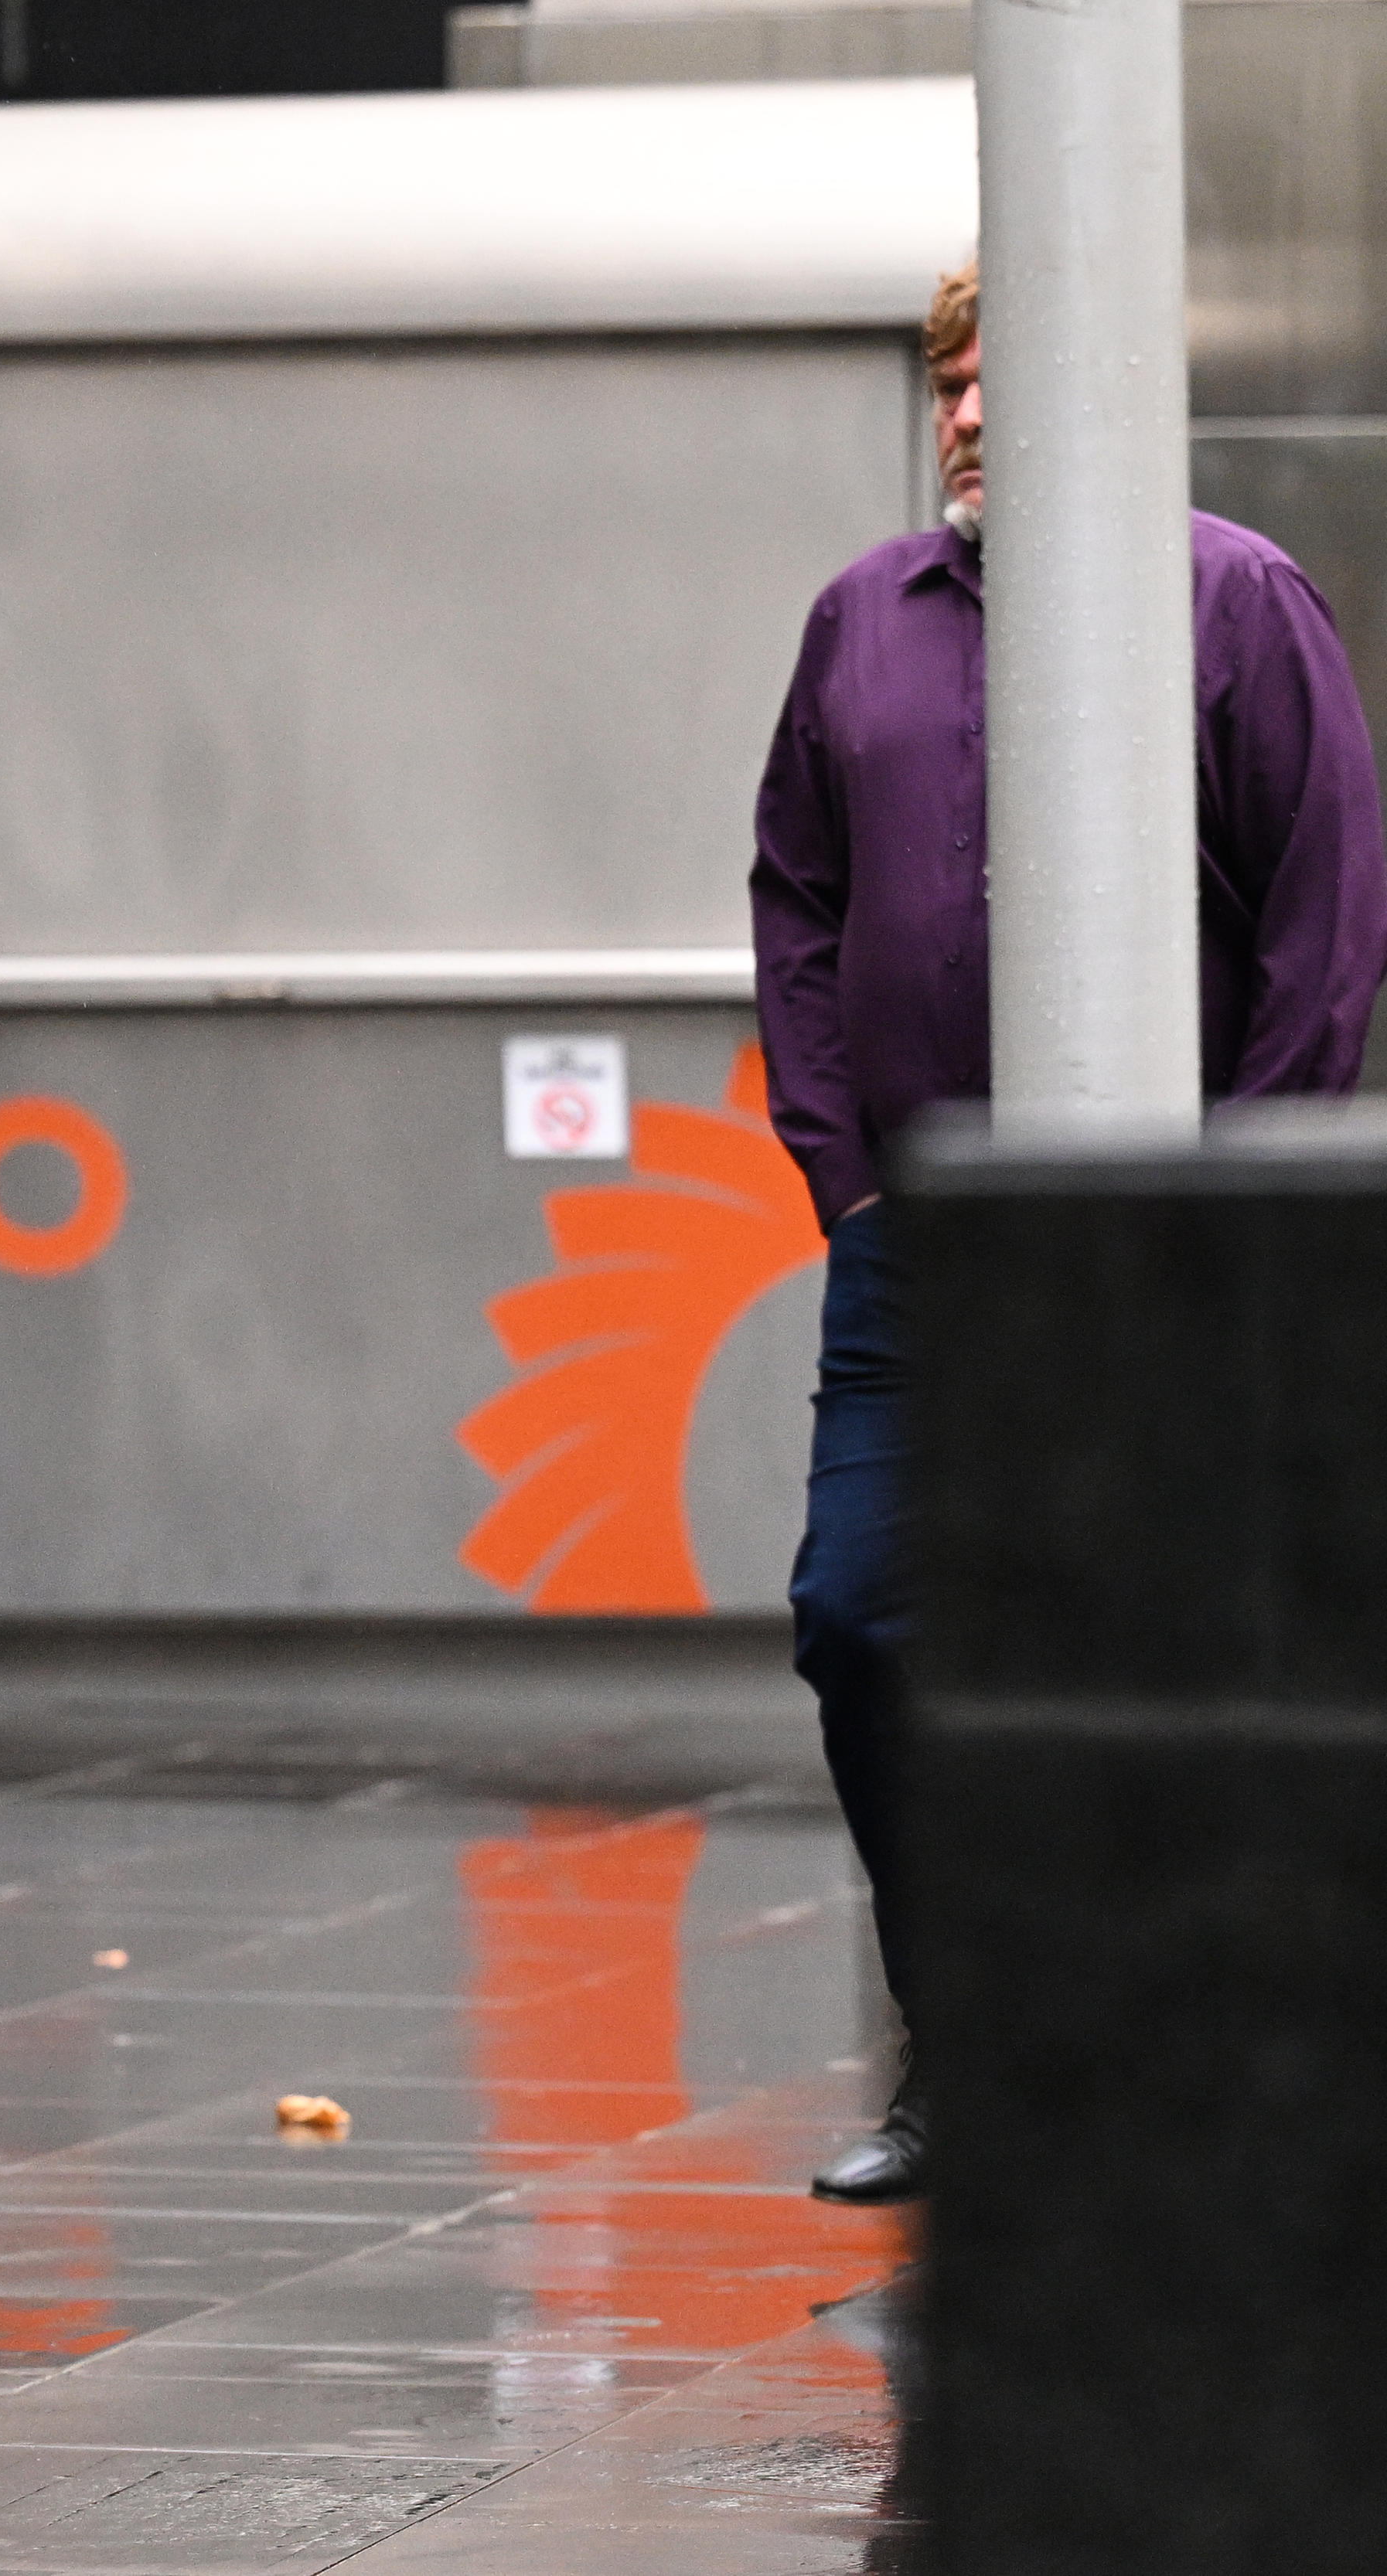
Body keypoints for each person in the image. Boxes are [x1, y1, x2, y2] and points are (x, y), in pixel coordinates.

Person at [751, 257, 1387, 2207]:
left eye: (993, 376)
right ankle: (975, 2036)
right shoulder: (862, 617)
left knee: (1144, 1642)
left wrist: (1222, 1216)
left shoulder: (1232, 602)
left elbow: (1326, 924)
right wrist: (840, 1166)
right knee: (860, 1615)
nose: (957, 411)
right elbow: (793, 893)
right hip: (915, 1244)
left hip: (1155, 1252)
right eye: (944, 378)